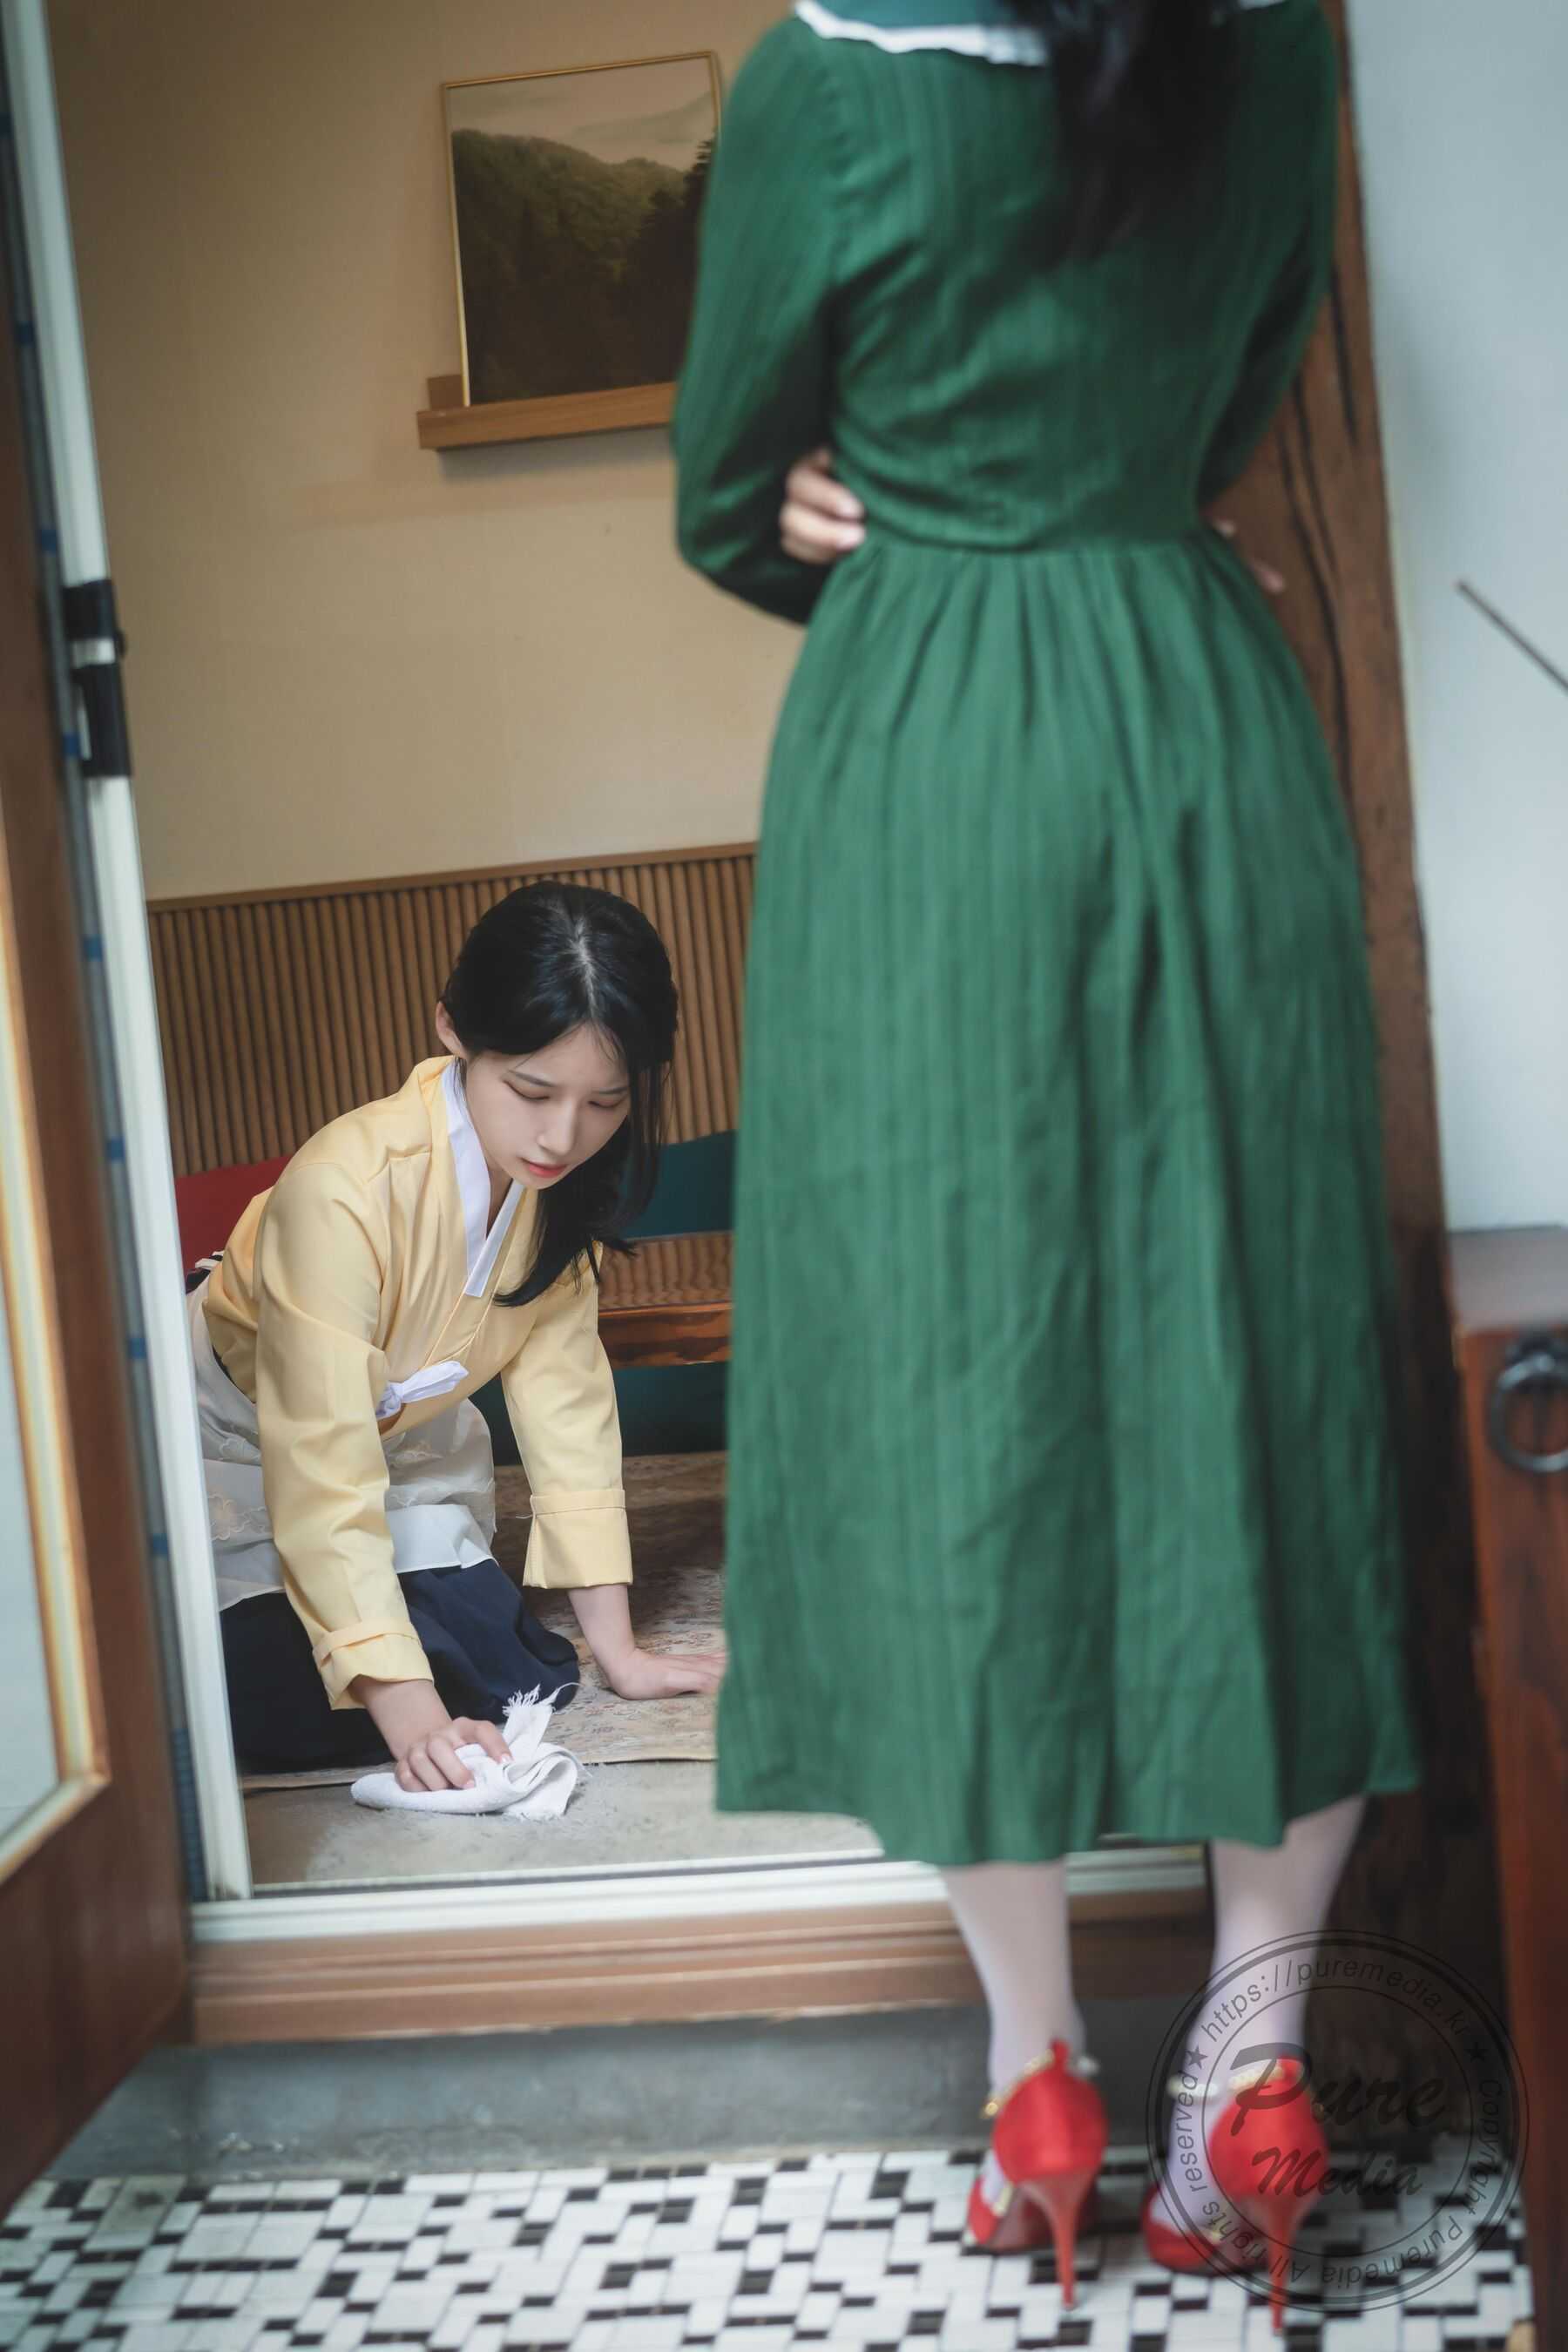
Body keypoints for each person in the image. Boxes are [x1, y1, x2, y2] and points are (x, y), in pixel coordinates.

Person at [672, 0, 1423, 2322]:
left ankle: (1036, 2082)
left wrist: (853, 501)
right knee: (1261, 1381)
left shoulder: (830, 76)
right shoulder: (1275, 48)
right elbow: (1237, 394)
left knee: (949, 1409)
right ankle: (1252, 2070)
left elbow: (726, 484)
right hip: (1198, 726)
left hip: (935, 776)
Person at [187, 880, 724, 1795]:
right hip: (228, 1441)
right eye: (532, 1090)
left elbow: (568, 1415)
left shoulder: (556, 1195)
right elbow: (320, 1463)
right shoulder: (343, 1187)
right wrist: (414, 1725)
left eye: (606, 1102)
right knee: (302, 1702)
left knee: (521, 1669)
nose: (562, 1137)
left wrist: (623, 1656)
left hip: (394, 1439)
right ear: (452, 1030)